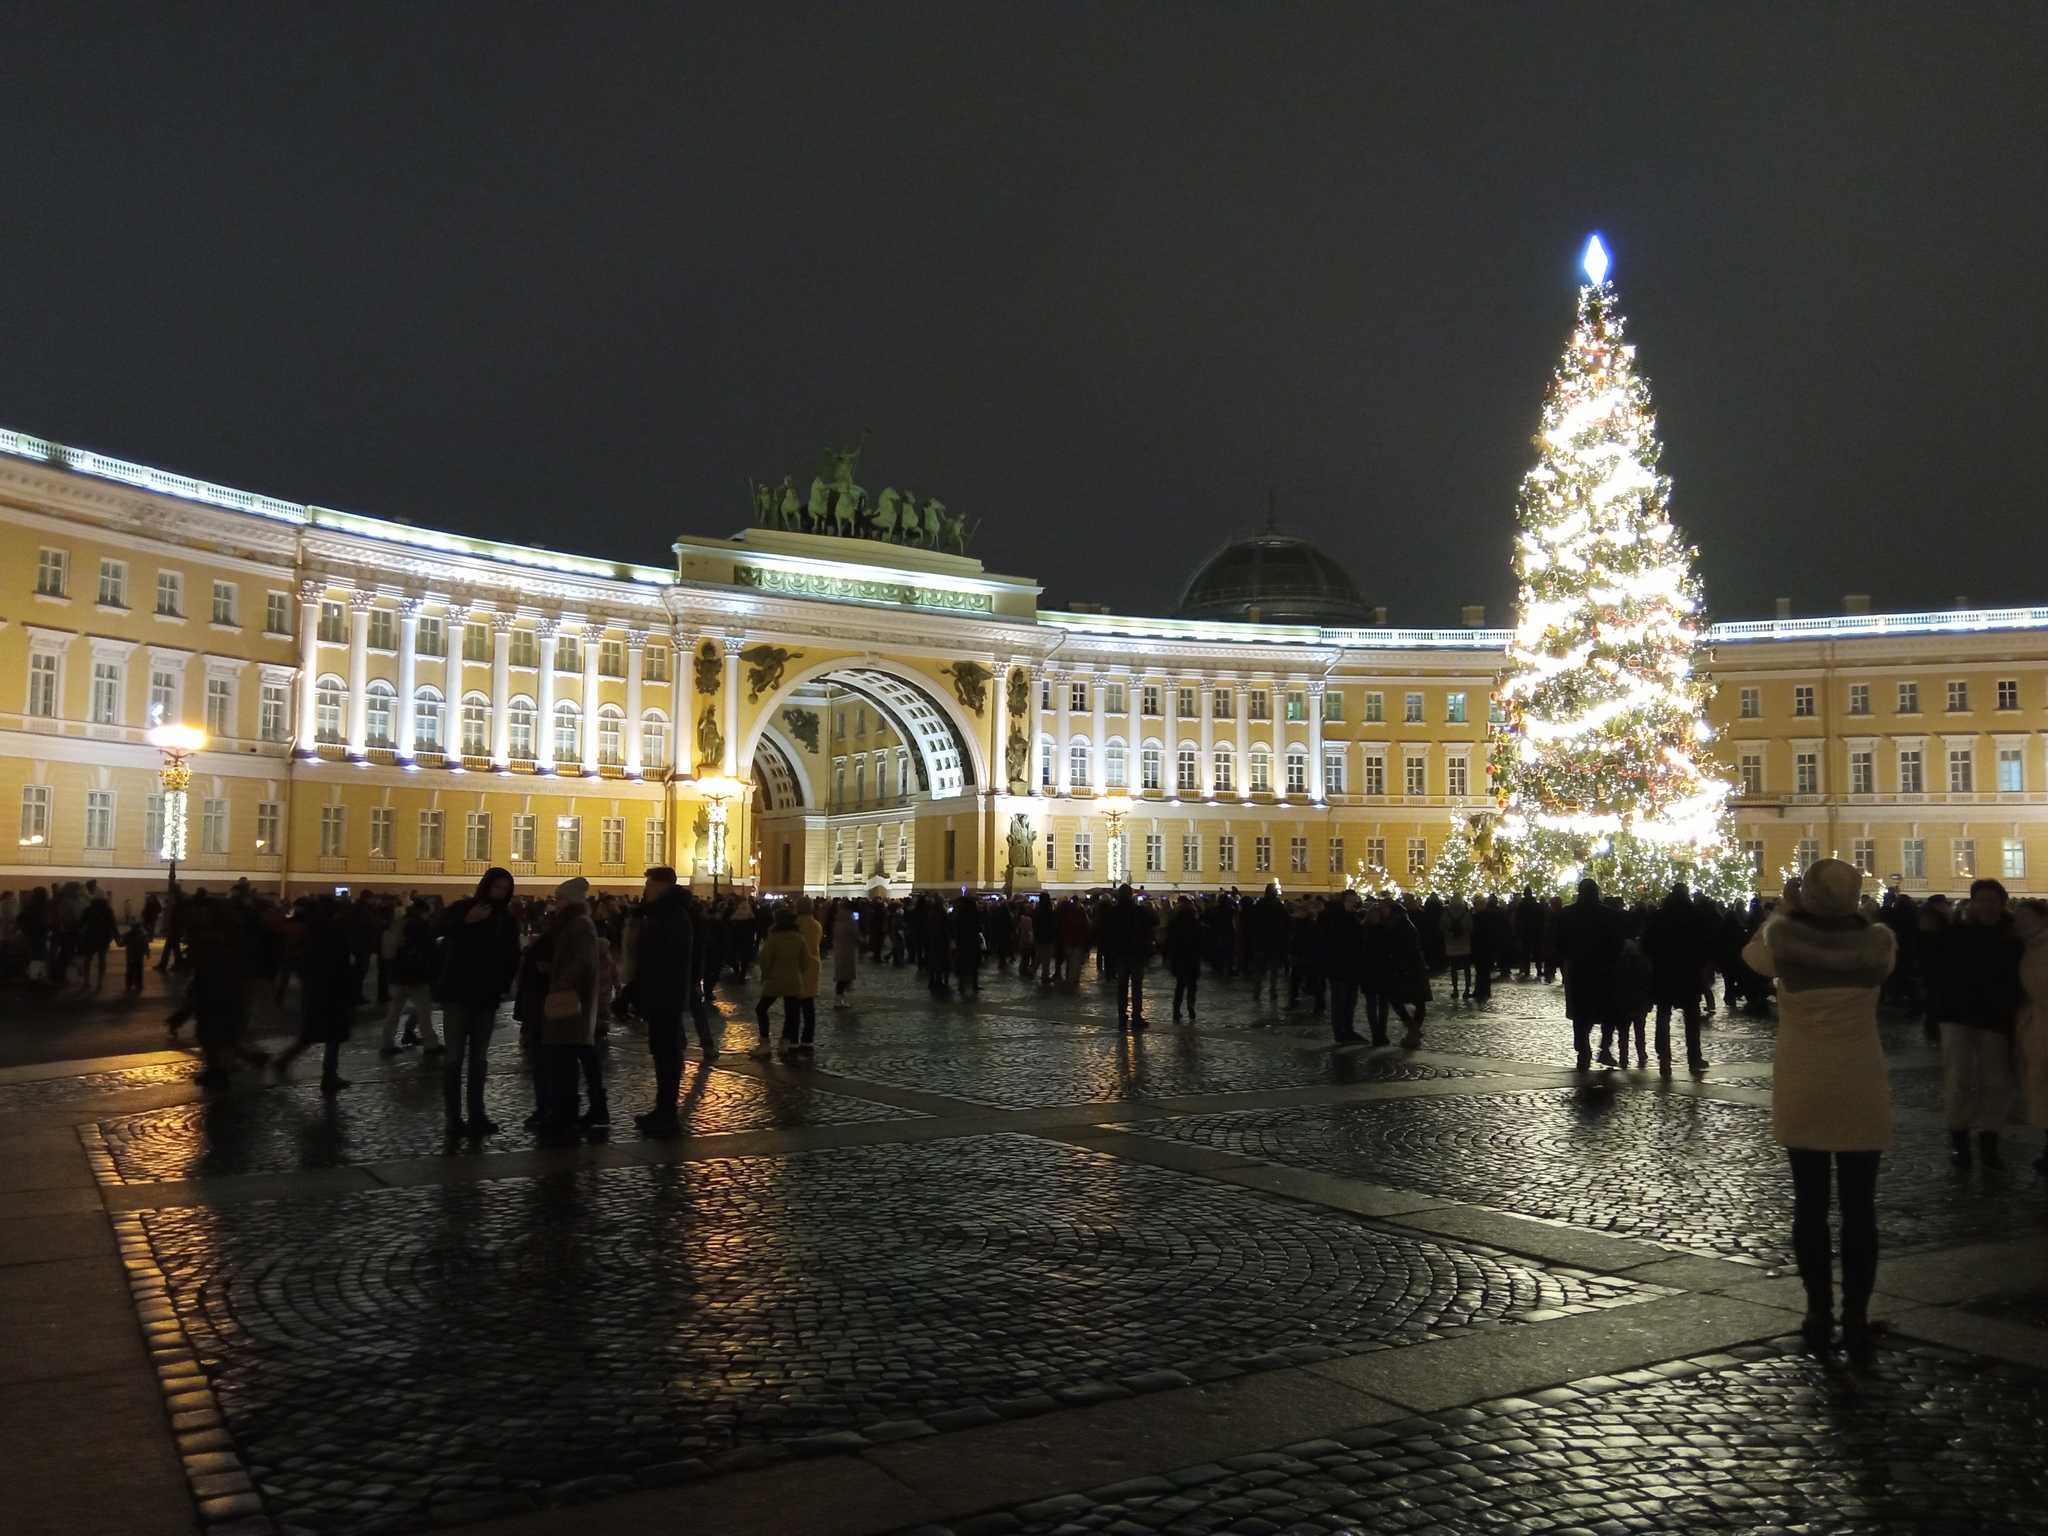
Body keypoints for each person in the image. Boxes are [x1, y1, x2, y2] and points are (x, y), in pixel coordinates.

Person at [1741, 858, 1895, 1355]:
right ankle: (1856, 1314)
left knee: (1809, 1205)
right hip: (1860, 1081)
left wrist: (1784, 910)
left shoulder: (1783, 943)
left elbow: (1752, 956)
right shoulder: (1878, 945)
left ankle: (1817, 1311)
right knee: (1859, 1208)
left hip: (1805, 1079)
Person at [1937, 878, 2024, 1167]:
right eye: (1982, 899)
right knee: (1958, 1080)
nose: (1987, 905)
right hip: (1957, 1014)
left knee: (1995, 1082)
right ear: (1973, 902)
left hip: (1995, 1016)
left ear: (2002, 903)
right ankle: (1959, 1142)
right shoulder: (1956, 932)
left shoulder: (2012, 937)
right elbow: (1937, 969)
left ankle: (1990, 1142)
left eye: (1992, 900)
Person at [435, 867, 522, 1138]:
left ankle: (477, 1113)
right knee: (454, 1057)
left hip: (486, 995)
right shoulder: (463, 908)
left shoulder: (505, 920)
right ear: (486, 886)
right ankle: (453, 1116)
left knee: (479, 1059)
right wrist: (466, 921)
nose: (500, 893)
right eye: (496, 887)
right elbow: (437, 932)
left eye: (505, 890)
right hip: (457, 992)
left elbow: (512, 955)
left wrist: (502, 984)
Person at [631, 866, 703, 1137]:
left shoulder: (672, 915)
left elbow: (667, 957)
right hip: (662, 992)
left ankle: (667, 1112)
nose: (646, 889)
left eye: (650, 884)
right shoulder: (665, 913)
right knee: (663, 1052)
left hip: (666, 994)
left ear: (663, 886)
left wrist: (644, 983)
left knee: (667, 1053)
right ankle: (663, 1109)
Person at [535, 877, 605, 1141]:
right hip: (569, 995)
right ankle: (568, 1111)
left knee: (563, 1056)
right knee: (566, 1054)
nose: (557, 902)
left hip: (573, 1000)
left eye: (561, 898)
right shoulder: (571, 923)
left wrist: (562, 980)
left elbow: (583, 959)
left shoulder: (580, 923)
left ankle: (566, 1113)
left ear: (573, 900)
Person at [271, 896, 357, 1093]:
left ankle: (285, 1060)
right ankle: (329, 1075)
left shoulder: (314, 930)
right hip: (335, 989)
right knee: (333, 1035)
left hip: (316, 988)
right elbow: (343, 963)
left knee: (312, 1032)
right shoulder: (336, 932)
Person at [1555, 878, 1625, 1070]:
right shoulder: (1608, 914)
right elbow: (1618, 943)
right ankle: (1604, 1048)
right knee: (1608, 1012)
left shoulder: (1568, 914)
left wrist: (1567, 958)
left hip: (1578, 969)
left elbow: (1558, 941)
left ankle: (1583, 1050)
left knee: (1580, 1013)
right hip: (1604, 969)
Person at [1645, 883, 1711, 1073]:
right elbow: (1705, 943)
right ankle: (1694, 1058)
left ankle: (1664, 1057)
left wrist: (1654, 963)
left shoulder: (1659, 916)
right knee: (1691, 1017)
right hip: (1688, 972)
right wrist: (1702, 965)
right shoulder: (1694, 917)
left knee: (1663, 1015)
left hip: (1664, 971)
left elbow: (1647, 943)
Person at [378, 899, 443, 1054]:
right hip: (416, 974)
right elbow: (428, 947)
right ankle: (430, 1043)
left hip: (397, 973)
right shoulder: (419, 925)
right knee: (423, 1009)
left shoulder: (401, 922)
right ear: (423, 912)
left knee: (394, 1010)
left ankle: (387, 1043)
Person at [2012, 899, 2048, 1173]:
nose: (2020, 922)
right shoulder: (2027, 948)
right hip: (2036, 1027)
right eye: (2017, 917)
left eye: (2026, 917)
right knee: (2040, 1088)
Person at [752, 908, 805, 1059]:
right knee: (791, 1012)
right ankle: (784, 1043)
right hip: (794, 979)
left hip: (775, 979)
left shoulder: (774, 937)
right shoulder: (799, 937)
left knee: (761, 1009)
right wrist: (798, 972)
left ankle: (765, 1044)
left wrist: (766, 974)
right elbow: (806, 961)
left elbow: (765, 959)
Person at [1165, 895, 1204, 1023]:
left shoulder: (1174, 921)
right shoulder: (1194, 921)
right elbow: (1200, 939)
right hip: (1192, 955)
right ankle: (1190, 1004)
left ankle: (1176, 1009)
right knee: (1192, 983)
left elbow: (1169, 939)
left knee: (1180, 984)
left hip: (1178, 955)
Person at [831, 902, 859, 1006]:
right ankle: (839, 998)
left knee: (841, 974)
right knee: (844, 976)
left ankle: (841, 996)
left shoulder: (838, 921)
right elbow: (855, 935)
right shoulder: (850, 921)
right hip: (848, 951)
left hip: (839, 949)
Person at [121, 916, 151, 995]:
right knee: (138, 971)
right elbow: (145, 945)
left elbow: (122, 943)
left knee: (130, 971)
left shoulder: (128, 935)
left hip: (130, 955)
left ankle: (129, 984)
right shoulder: (143, 935)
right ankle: (138, 984)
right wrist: (147, 953)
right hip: (139, 956)